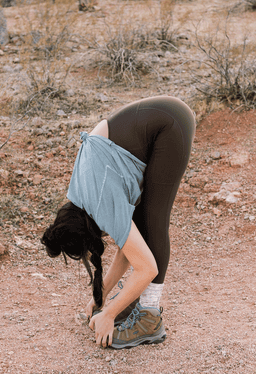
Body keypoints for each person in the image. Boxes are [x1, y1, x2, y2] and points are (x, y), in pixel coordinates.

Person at [40, 95, 195, 349]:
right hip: (166, 115)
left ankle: (149, 316)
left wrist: (110, 314)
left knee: (151, 222)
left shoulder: (100, 203)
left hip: (170, 126)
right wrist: (100, 300)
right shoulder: (80, 194)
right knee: (141, 229)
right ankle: (134, 302)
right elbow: (129, 248)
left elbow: (146, 267)